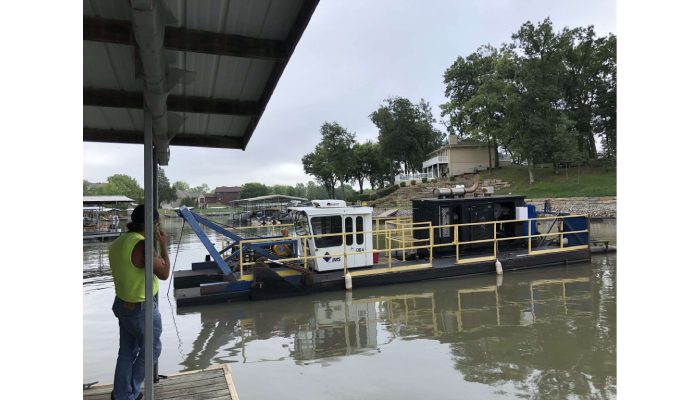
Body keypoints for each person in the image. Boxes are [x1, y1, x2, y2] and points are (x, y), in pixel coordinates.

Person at [108, 205, 170, 400]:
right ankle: (130, 394)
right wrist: (163, 245)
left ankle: (121, 394)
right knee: (152, 349)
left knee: (127, 352)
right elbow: (164, 273)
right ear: (153, 224)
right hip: (140, 308)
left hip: (122, 304)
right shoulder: (143, 245)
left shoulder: (119, 241)